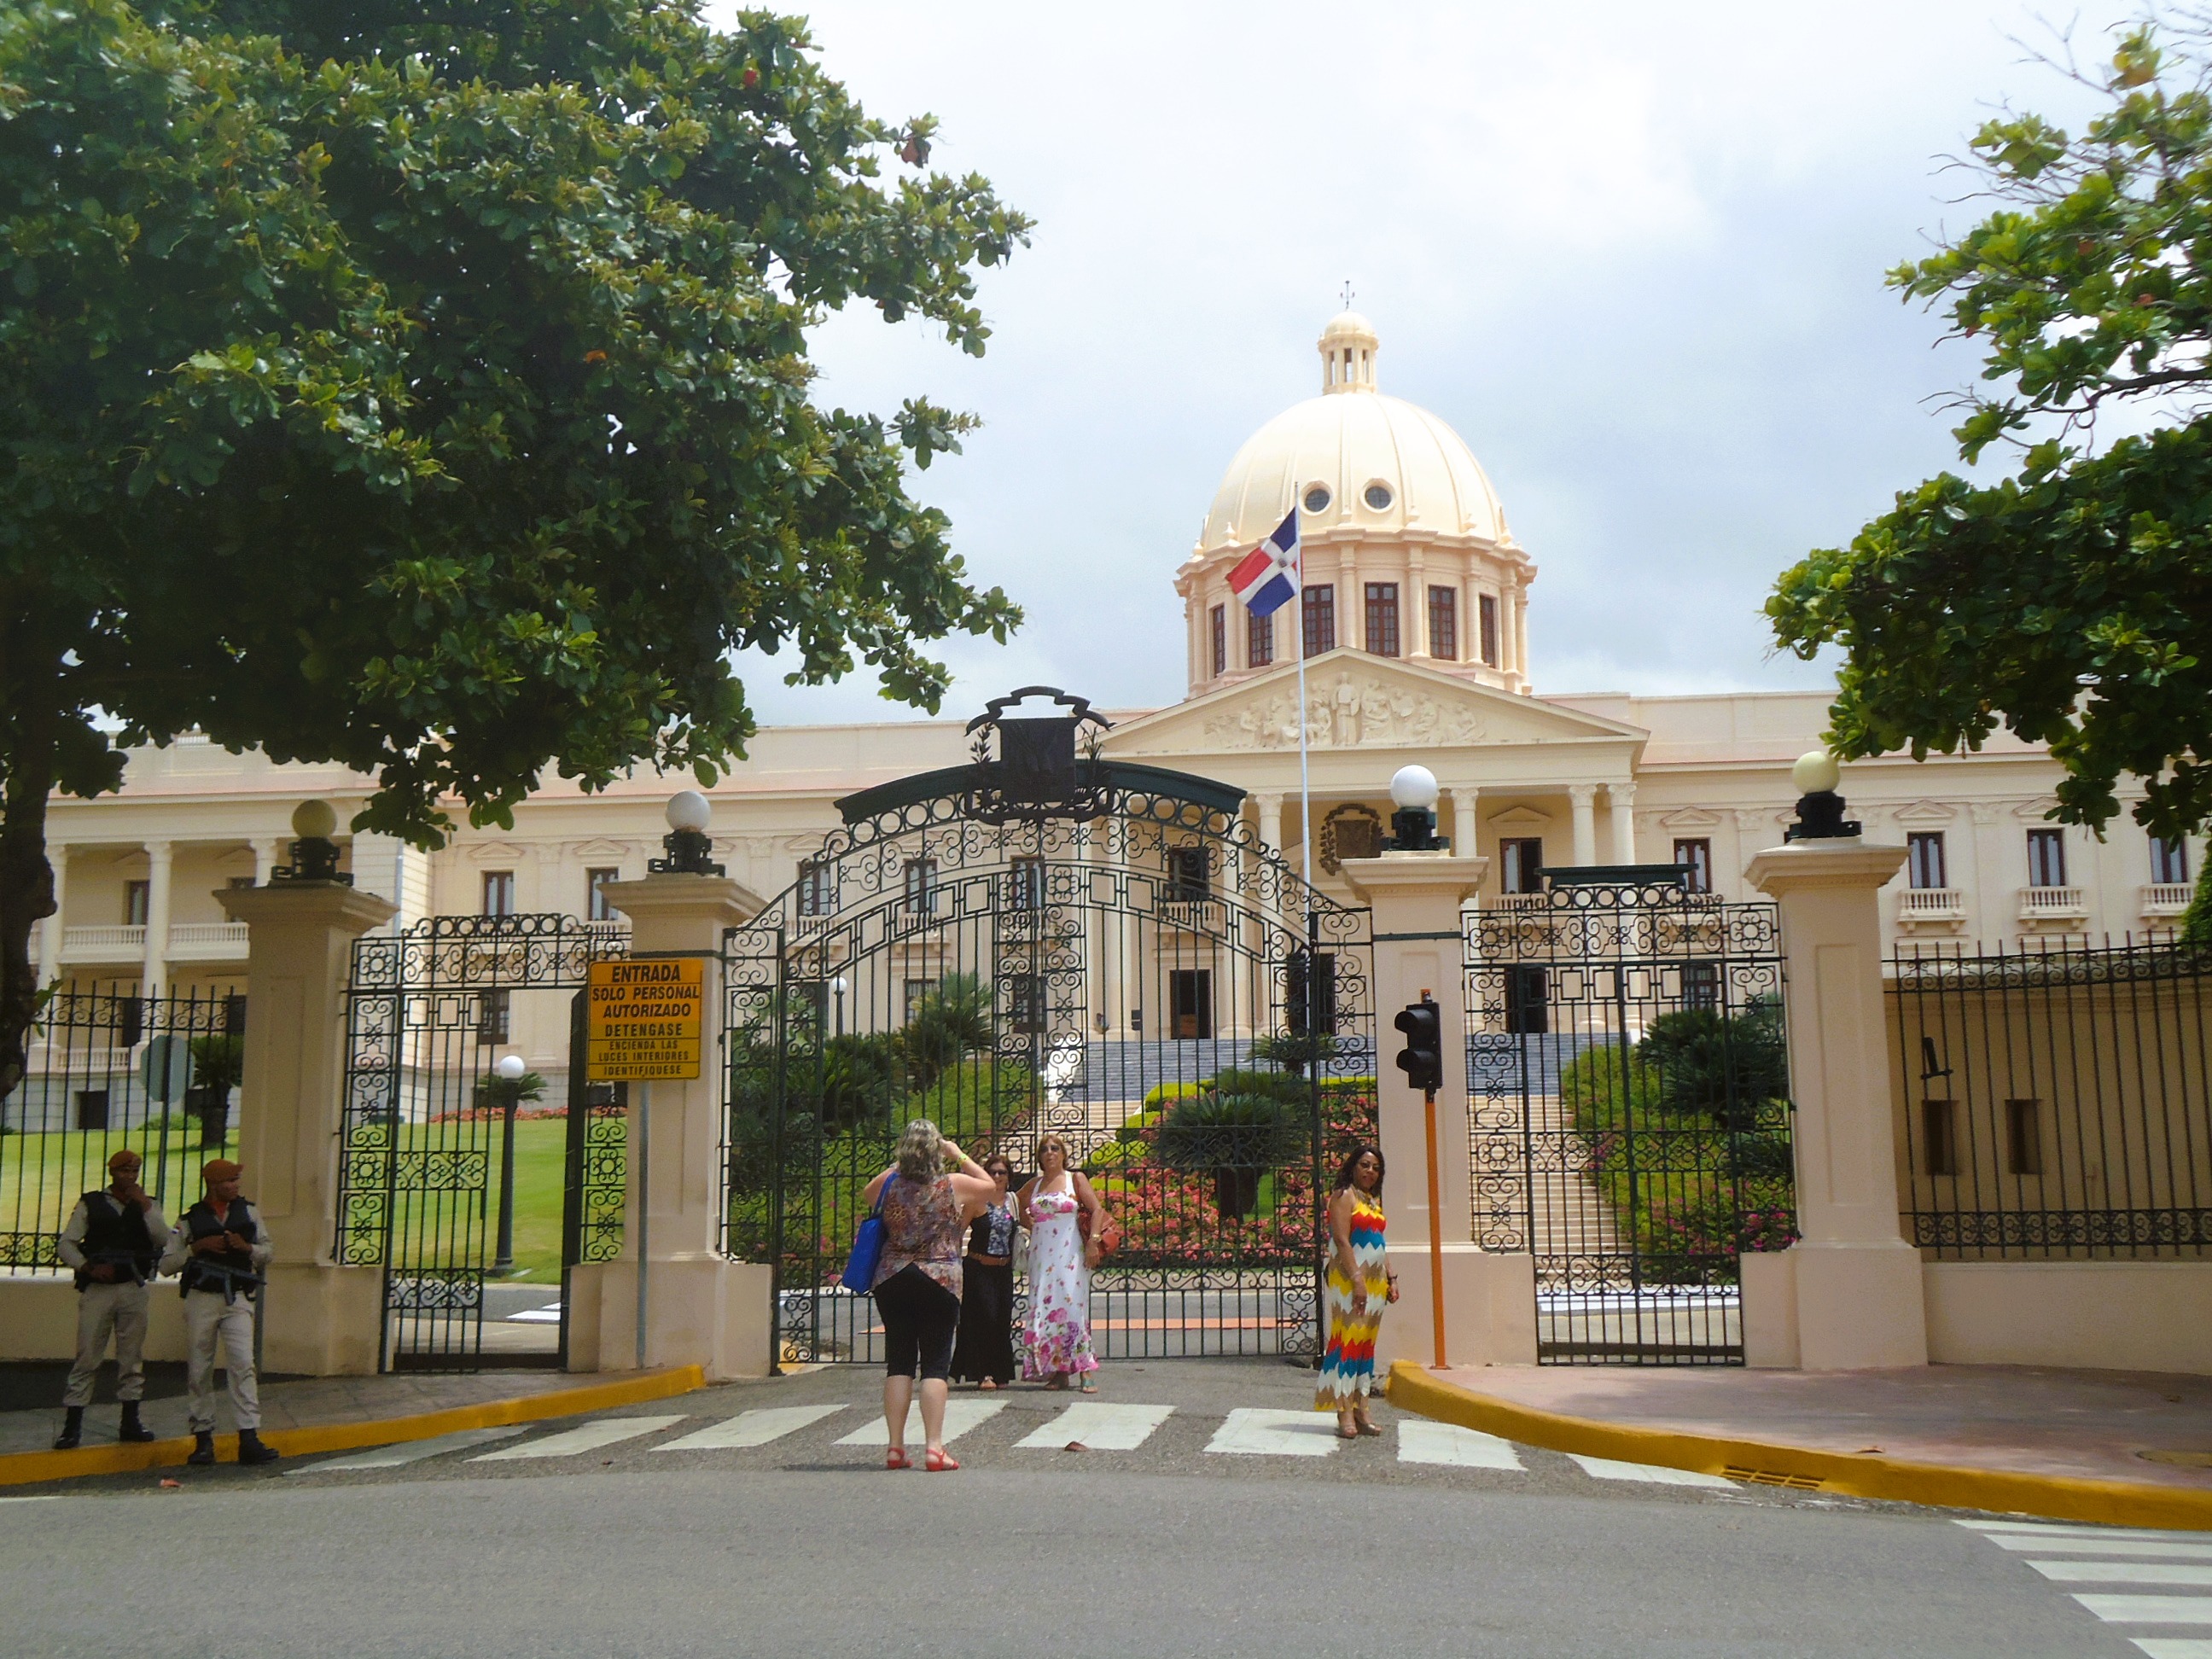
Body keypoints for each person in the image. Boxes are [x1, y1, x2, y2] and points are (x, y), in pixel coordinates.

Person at [863, 1121, 997, 1471]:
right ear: (937, 1150)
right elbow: (990, 1187)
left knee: (899, 1361)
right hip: (938, 1277)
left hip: (892, 1276)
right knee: (935, 1364)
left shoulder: (890, 1183)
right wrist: (959, 1154)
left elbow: (867, 1195)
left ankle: (895, 1447)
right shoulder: (953, 1184)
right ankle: (934, 1448)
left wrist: (900, 1164)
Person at [160, 1158, 279, 1467]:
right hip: (202, 1297)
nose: (236, 1186)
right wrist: (196, 1249)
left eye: (237, 1180)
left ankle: (249, 1436)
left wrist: (246, 1248)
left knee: (243, 1363)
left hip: (237, 1296)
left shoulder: (249, 1213)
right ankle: (203, 1438)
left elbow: (268, 1253)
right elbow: (166, 1265)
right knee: (200, 1367)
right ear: (214, 1184)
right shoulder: (189, 1221)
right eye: (230, 1181)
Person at [53, 1149, 170, 1450]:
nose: (130, 1176)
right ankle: (72, 1425)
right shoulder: (92, 1203)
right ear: (112, 1172)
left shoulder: (147, 1204)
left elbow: (164, 1239)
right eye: (124, 1171)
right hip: (99, 1289)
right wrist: (88, 1267)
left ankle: (131, 1420)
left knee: (131, 1357)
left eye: (134, 1171)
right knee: (88, 1356)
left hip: (132, 1285)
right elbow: (67, 1244)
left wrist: (145, 1206)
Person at [1317, 1144, 1397, 1438]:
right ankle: (1344, 1412)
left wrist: (1391, 1277)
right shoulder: (1343, 1196)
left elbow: (1379, 1241)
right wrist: (1358, 1279)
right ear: (1353, 1167)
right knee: (1347, 1343)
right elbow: (1341, 1239)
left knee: (1365, 1347)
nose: (1370, 1171)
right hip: (1350, 1279)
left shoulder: (1373, 1201)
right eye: (1364, 1165)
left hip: (1375, 1283)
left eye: (1375, 1167)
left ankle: (1363, 1409)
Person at [1016, 1132, 1104, 1392]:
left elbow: (1097, 1209)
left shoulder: (1074, 1179)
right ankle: (1057, 1370)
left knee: (1072, 1307)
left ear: (1063, 1153)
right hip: (1042, 1256)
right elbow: (1016, 1202)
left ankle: (1085, 1368)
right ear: (1040, 1156)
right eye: (1045, 1149)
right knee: (1045, 1310)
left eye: (1055, 1148)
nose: (1050, 1152)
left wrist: (1093, 1242)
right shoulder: (1034, 1185)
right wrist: (1028, 1224)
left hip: (1069, 1255)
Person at [950, 1154, 1018, 1390]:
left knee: (1001, 1320)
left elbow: (1032, 1223)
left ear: (1009, 1177)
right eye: (993, 1172)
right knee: (983, 1319)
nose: (998, 1177)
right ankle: (982, 1372)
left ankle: (1000, 1372)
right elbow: (957, 1234)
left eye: (1002, 1172)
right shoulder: (975, 1202)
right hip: (979, 1269)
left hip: (1003, 1270)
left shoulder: (1013, 1202)